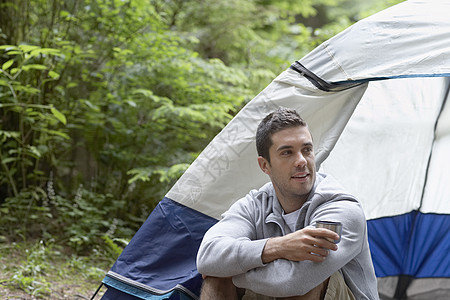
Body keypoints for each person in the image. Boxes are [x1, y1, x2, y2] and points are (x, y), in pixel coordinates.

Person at [196, 107, 379, 300]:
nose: (301, 161)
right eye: (287, 153)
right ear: (265, 165)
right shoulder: (255, 204)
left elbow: (295, 281)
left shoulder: (342, 208)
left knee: (306, 281)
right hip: (275, 290)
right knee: (217, 279)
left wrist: (231, 272)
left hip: (318, 291)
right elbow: (208, 254)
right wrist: (276, 247)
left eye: (306, 150)